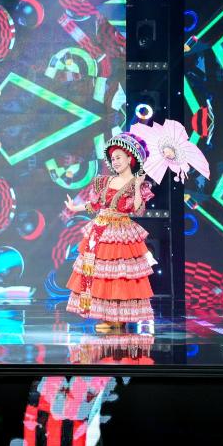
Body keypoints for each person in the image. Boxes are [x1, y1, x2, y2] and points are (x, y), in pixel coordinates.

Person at [63, 132, 155, 327]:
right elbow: (96, 205)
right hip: (99, 230)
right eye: (113, 159)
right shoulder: (106, 181)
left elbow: (138, 210)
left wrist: (137, 186)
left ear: (130, 158)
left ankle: (118, 318)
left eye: (119, 157)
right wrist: (75, 208)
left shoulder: (137, 183)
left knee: (118, 275)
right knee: (99, 274)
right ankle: (106, 316)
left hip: (120, 231)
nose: (115, 162)